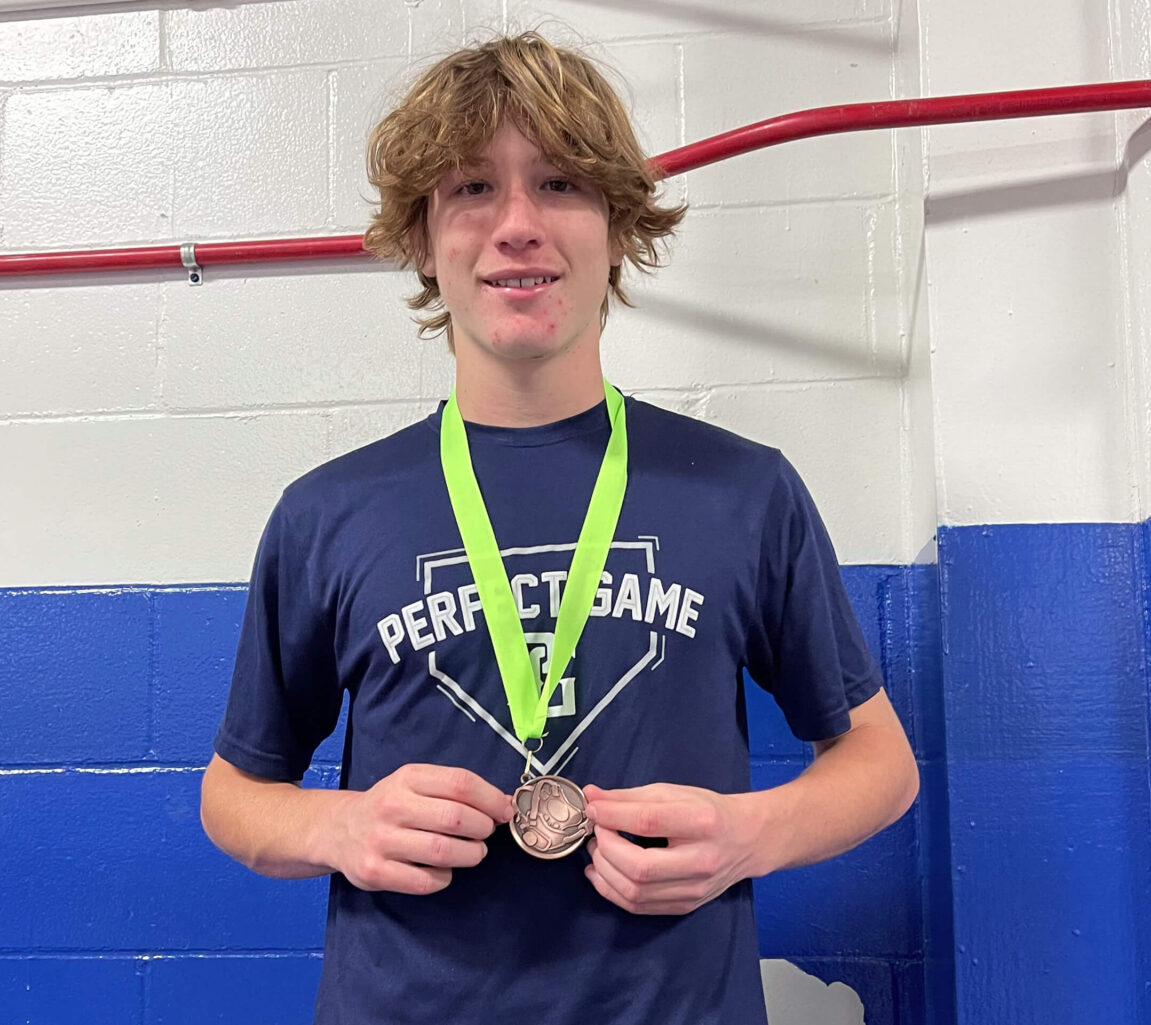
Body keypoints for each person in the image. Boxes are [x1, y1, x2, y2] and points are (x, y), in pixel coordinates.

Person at [200, 31, 920, 1025]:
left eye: (560, 184)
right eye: (470, 190)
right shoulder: (327, 512)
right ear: (421, 237)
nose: (518, 225)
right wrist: (337, 824)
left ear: (617, 227)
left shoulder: (742, 489)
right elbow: (233, 793)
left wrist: (751, 831)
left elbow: (880, 764)